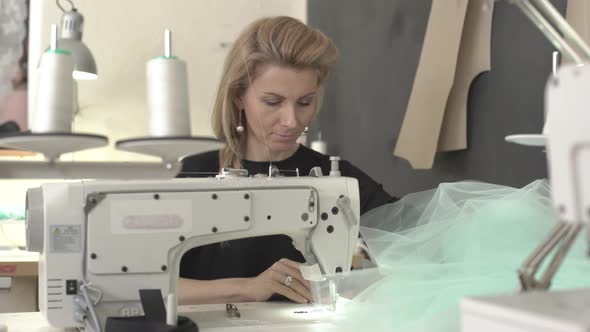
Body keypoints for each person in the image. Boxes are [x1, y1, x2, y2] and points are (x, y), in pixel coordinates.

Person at [177, 16, 396, 305]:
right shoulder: (198, 173)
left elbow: (410, 241)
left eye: (305, 102)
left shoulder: (339, 179)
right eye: (272, 102)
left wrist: (356, 278)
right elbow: (149, 285)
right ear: (238, 96)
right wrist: (247, 288)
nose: (292, 120)